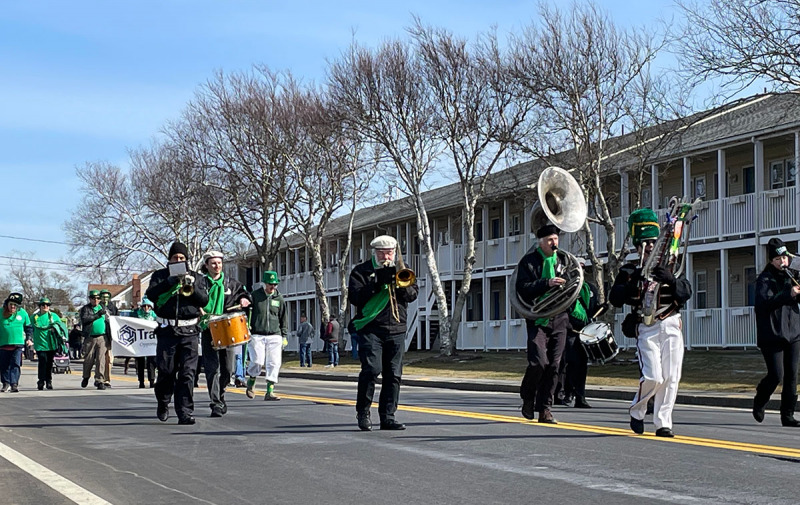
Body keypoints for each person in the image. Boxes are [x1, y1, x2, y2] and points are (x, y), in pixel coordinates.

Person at [609, 208, 692, 438]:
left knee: (671, 376)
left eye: (653, 243)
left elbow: (686, 293)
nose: (649, 249)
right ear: (638, 248)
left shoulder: (671, 267)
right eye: (645, 244)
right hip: (647, 326)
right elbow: (614, 298)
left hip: (671, 322)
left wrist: (671, 280)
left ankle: (663, 422)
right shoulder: (628, 271)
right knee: (653, 375)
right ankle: (637, 409)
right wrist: (633, 279)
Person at [349, 235, 418, 431]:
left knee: (394, 374)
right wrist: (376, 285)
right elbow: (355, 298)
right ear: (374, 253)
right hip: (371, 328)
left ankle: (388, 416)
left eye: (389, 252)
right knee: (371, 370)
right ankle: (363, 412)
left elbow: (412, 295)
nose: (386, 256)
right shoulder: (361, 271)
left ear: (394, 253)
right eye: (381, 252)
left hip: (396, 328)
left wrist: (399, 285)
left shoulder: (402, 271)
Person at [145, 241, 209, 425]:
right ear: (170, 259)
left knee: (188, 374)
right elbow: (151, 295)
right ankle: (163, 402)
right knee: (166, 372)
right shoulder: (160, 275)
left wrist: (192, 286)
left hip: (189, 331)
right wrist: (169, 282)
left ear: (187, 260)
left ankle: (185, 412)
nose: (179, 260)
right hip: (167, 331)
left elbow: (203, 300)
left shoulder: (197, 277)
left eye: (182, 258)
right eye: (175, 258)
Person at [516, 223, 573, 424]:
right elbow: (522, 289)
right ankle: (528, 397)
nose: (554, 243)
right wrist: (546, 283)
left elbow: (573, 285)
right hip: (538, 317)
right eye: (550, 240)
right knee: (538, 362)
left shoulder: (564, 260)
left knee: (555, 365)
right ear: (540, 242)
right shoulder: (529, 262)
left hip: (560, 317)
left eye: (556, 239)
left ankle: (545, 409)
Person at [752, 237, 800, 427]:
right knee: (776, 375)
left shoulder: (792, 275)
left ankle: (787, 416)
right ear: (771, 260)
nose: (783, 262)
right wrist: (788, 294)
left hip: (793, 332)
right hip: (772, 334)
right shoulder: (765, 279)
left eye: (785, 258)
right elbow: (764, 304)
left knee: (792, 375)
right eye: (778, 259)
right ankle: (760, 399)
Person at [198, 250, 251, 417]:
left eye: (219, 263)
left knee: (228, 369)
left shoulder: (231, 283)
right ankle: (215, 403)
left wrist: (245, 299)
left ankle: (221, 394)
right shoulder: (200, 284)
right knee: (212, 368)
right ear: (206, 265)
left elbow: (244, 294)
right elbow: (192, 301)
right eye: (213, 263)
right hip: (209, 329)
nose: (217, 266)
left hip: (227, 330)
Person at [555, 277, 600, 409]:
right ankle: (564, 393)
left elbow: (593, 308)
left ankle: (580, 397)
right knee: (570, 362)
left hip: (585, 331)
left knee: (582, 365)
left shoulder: (591, 288)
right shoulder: (566, 289)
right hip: (569, 330)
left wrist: (601, 309)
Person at [245, 271, 288, 401]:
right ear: (264, 283)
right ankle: (251, 382)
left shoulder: (279, 298)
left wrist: (284, 335)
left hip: (275, 335)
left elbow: (283, 317)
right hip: (257, 334)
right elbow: (247, 313)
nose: (273, 287)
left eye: (275, 284)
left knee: (274, 363)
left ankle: (270, 391)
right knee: (257, 360)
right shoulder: (255, 296)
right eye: (270, 284)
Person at [0, 293, 31, 393]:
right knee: (4, 365)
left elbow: (29, 327)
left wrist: (29, 338)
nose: (13, 307)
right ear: (7, 304)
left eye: (15, 305)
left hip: (17, 344)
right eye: (11, 304)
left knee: (15, 364)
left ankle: (14, 384)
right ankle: (5, 383)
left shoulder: (23, 313)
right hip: (3, 344)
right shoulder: (1, 313)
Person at [32, 297, 64, 390]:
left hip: (51, 343)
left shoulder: (54, 316)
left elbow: (60, 326)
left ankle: (48, 381)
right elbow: (29, 328)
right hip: (40, 344)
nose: (45, 306)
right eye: (43, 305)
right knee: (42, 362)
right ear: (40, 306)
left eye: (47, 305)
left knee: (49, 363)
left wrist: (55, 329)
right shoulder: (34, 317)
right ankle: (41, 380)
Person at [80, 290, 109, 390]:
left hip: (102, 337)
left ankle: (99, 380)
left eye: (97, 298)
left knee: (101, 359)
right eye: (93, 298)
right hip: (90, 337)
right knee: (89, 359)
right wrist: (97, 315)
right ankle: (86, 376)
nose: (95, 300)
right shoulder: (86, 309)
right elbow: (85, 319)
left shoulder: (104, 308)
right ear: (90, 299)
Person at [131, 298, 158, 389]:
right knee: (140, 363)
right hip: (140, 342)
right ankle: (141, 381)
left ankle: (151, 380)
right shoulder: (137, 315)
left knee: (151, 363)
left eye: (148, 306)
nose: (146, 308)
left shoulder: (154, 315)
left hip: (150, 342)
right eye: (144, 306)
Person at [100, 289, 118, 389]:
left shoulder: (113, 307)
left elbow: (118, 321)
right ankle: (99, 378)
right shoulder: (97, 307)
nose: (105, 299)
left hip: (111, 336)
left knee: (109, 359)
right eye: (103, 297)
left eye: (107, 297)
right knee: (100, 358)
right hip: (101, 335)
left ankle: (107, 379)